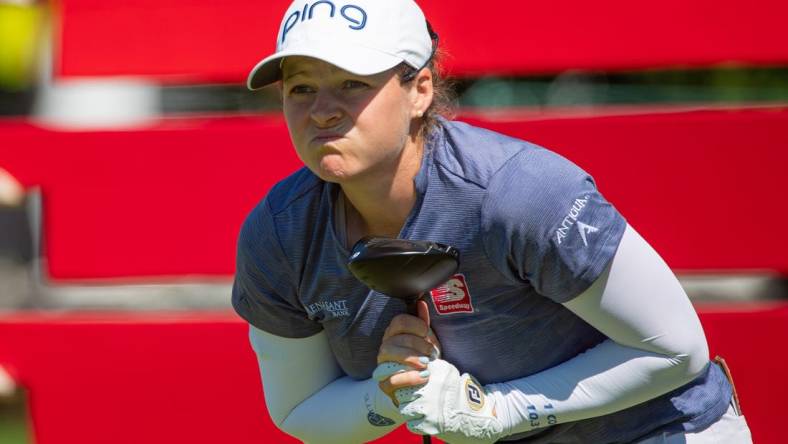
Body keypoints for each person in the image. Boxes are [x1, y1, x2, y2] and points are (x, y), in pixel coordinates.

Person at [232, 0, 752, 442]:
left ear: (421, 91)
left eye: (351, 83)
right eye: (301, 88)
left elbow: (676, 350)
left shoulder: (518, 192)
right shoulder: (277, 236)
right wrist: (389, 394)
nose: (322, 110)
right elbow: (299, 409)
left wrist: (493, 410)